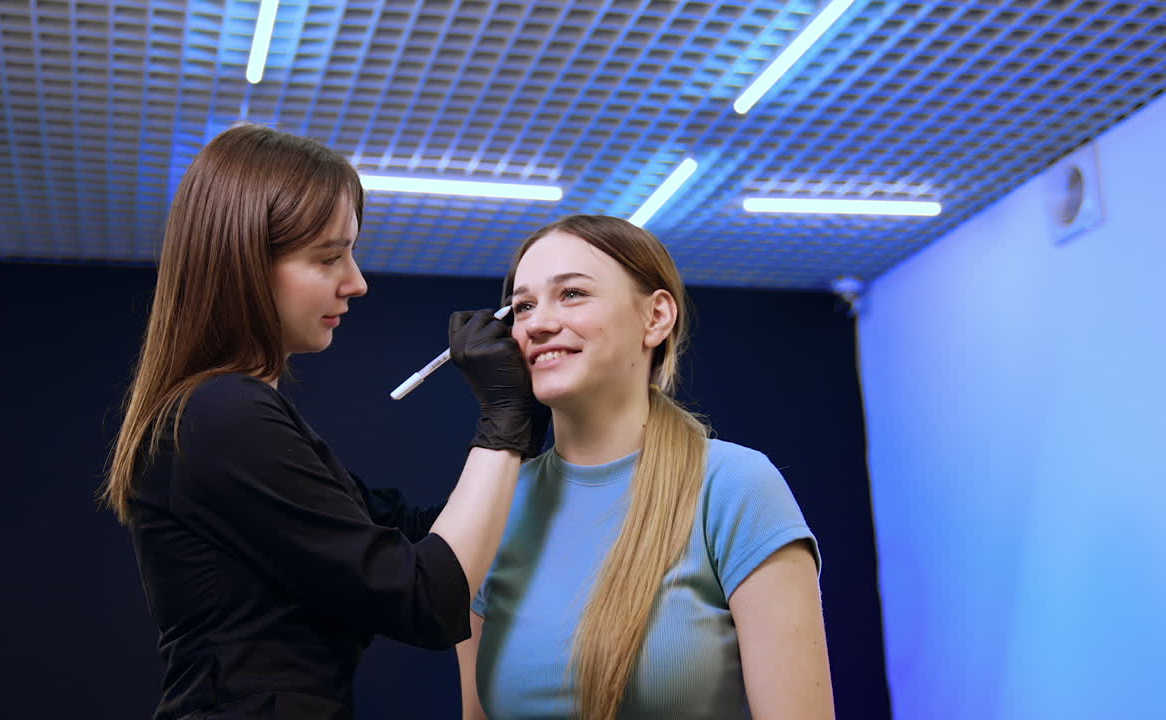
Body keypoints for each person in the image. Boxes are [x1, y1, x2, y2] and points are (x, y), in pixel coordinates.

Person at [101, 123, 543, 719]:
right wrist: (504, 418)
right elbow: (428, 598)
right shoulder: (223, 417)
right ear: (246, 264)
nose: (356, 282)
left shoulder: (222, 415)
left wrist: (531, 427)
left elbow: (421, 532)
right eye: (329, 257)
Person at [455, 215, 834, 720]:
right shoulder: (495, 505)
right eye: (523, 306)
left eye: (572, 294)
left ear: (655, 318)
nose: (538, 324)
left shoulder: (734, 487)